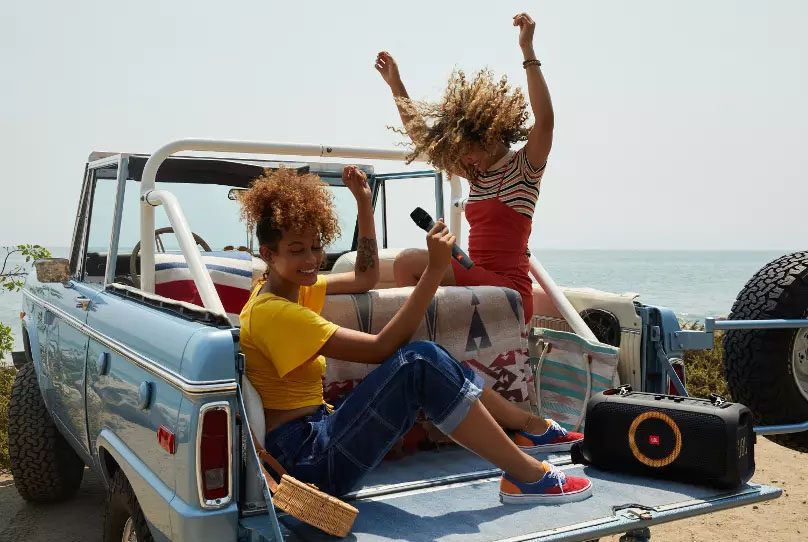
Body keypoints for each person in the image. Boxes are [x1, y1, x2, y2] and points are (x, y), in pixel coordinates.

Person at [238, 165, 592, 503]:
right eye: (296, 250)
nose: (311, 259)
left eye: (316, 247)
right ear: (267, 254)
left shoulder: (291, 290)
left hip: (317, 433)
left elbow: (364, 277)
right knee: (421, 361)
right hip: (306, 461)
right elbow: (381, 348)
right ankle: (526, 474)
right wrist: (435, 269)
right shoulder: (276, 313)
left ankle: (527, 428)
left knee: (433, 357)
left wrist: (364, 203)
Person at [375, 12, 552, 324]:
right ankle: (418, 339)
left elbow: (546, 121)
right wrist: (396, 85)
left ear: (489, 135)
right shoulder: (476, 174)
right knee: (406, 264)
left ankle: (408, 338)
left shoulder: (525, 167)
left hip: (508, 291)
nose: (465, 161)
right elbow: (423, 139)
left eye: (467, 151)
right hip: (477, 277)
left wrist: (527, 50)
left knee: (407, 263)